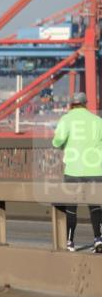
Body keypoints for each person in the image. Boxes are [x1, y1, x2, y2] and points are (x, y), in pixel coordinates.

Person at [52, 91, 102, 253]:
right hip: (95, 169)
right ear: (85, 104)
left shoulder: (66, 120)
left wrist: (62, 145)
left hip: (73, 170)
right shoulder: (97, 121)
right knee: (95, 207)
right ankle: (98, 239)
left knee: (71, 207)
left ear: (71, 104)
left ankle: (69, 242)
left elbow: (57, 141)